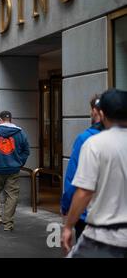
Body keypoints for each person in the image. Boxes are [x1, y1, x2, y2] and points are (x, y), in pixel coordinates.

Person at [62, 89, 127, 258]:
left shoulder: (94, 144)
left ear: (102, 114)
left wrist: (68, 225)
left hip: (104, 236)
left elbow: (84, 191)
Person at [61, 95, 104, 241]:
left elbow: (74, 179)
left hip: (88, 214)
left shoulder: (85, 139)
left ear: (94, 111)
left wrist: (66, 207)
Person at [0, 111, 30, 232]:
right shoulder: (20, 133)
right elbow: (26, 150)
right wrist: (20, 162)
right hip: (13, 169)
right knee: (12, 195)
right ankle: (8, 224)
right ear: (10, 119)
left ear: (0, 119)